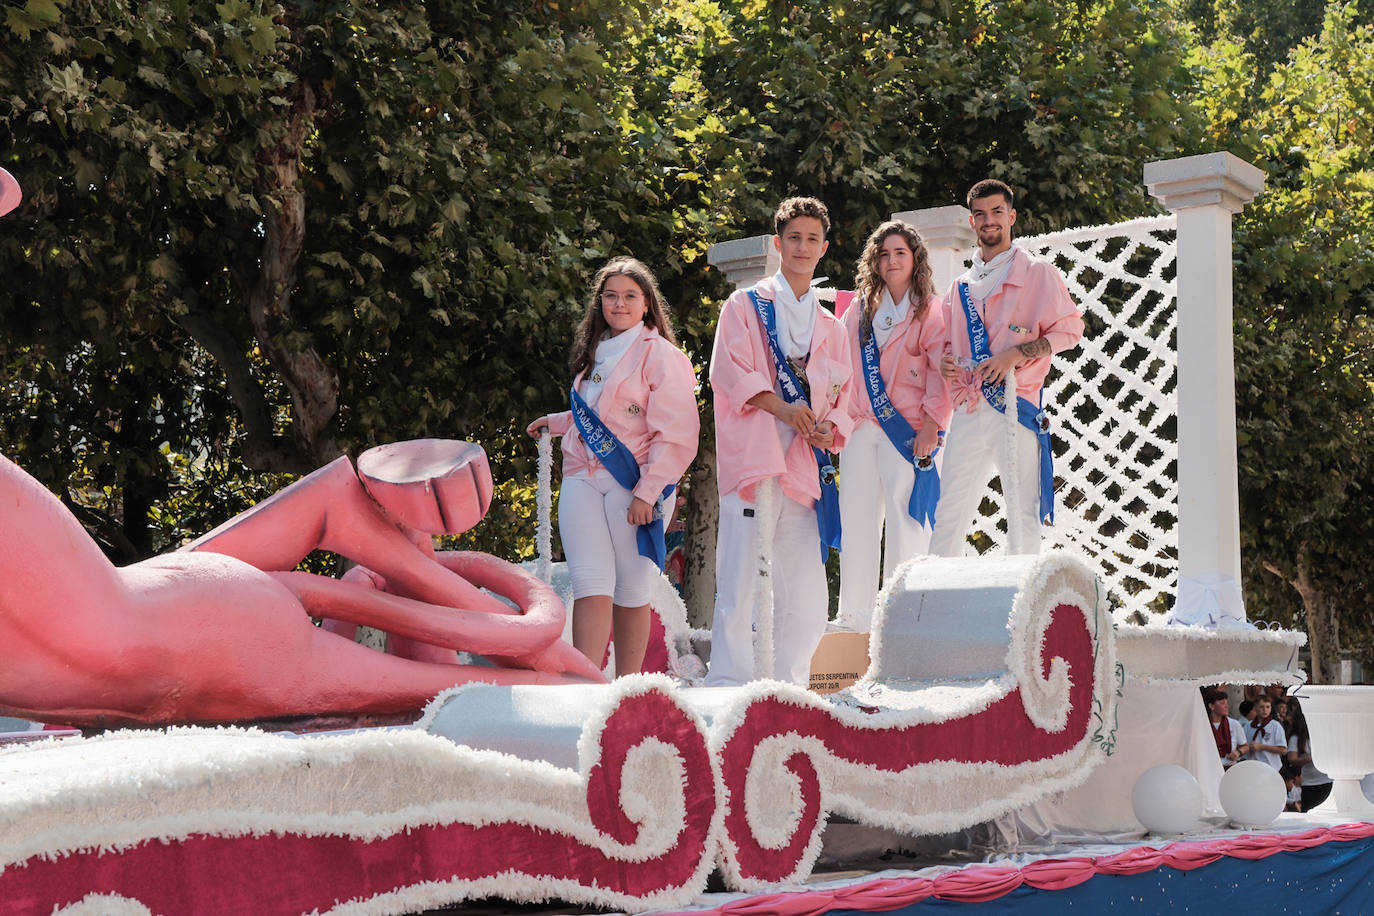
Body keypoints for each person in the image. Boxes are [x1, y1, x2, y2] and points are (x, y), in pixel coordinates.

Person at [706, 196, 854, 686]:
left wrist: (830, 429)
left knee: (809, 600)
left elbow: (846, 402)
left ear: (824, 247)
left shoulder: (831, 324)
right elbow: (729, 373)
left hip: (803, 469)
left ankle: (787, 686)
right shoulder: (745, 305)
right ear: (778, 243)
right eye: (794, 237)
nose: (803, 247)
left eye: (812, 239)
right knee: (739, 584)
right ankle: (728, 684)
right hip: (754, 460)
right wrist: (785, 408)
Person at [527, 257, 699, 677]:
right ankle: (587, 687)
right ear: (599, 302)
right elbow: (606, 415)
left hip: (634, 480)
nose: (618, 304)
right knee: (589, 582)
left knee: (631, 587)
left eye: (629, 297)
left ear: (646, 304)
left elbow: (677, 433)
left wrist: (648, 491)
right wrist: (559, 422)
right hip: (582, 476)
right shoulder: (594, 352)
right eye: (610, 296)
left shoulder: (661, 355)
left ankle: (626, 688)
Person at [930, 179, 1084, 556]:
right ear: (971, 221)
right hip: (967, 409)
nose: (989, 221)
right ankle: (932, 604)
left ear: (1011, 216)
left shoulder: (1038, 273)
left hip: (1017, 407)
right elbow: (947, 346)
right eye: (981, 214)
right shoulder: (959, 288)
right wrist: (947, 364)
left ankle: (1025, 606)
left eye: (997, 212)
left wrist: (1015, 355)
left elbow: (1070, 331)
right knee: (949, 510)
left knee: (1022, 512)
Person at [836, 220, 951, 630]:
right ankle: (853, 620)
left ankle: (902, 624)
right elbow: (842, 367)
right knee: (857, 524)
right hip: (859, 428)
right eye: (884, 254)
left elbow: (942, 373)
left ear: (915, 258)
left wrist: (933, 425)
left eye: (900, 252)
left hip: (907, 431)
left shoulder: (932, 309)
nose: (891, 260)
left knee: (907, 526)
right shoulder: (859, 309)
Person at [1285, 699, 1334, 810]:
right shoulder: (1296, 738)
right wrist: (1312, 758)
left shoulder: (1323, 734)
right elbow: (1292, 759)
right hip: (1310, 782)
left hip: (1327, 780)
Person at [1204, 688, 1250, 768]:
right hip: (1209, 767)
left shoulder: (1234, 724)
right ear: (1211, 706)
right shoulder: (1204, 724)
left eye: (1227, 703)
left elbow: (1246, 746)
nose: (1226, 706)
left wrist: (1238, 752)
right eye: (1222, 703)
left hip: (1229, 766)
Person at [1243, 695, 1288, 772]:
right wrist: (1249, 747)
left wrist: (1262, 747)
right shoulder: (1248, 726)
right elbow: (1243, 745)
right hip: (1253, 768)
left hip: (1271, 768)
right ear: (1255, 708)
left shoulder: (1275, 725)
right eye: (1261, 707)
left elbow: (1283, 750)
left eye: (1268, 707)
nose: (1265, 710)